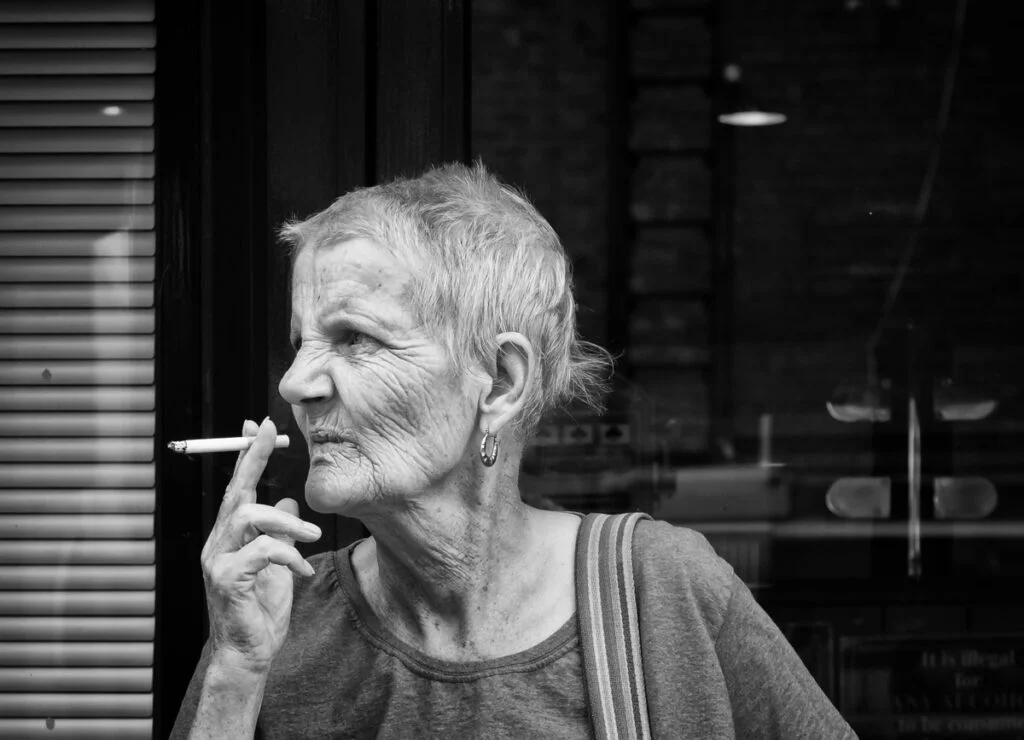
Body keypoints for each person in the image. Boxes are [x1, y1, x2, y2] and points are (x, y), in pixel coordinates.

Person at [171, 162, 857, 739]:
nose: (295, 383)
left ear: (500, 382)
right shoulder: (271, 625)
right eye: (301, 341)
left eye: (355, 338)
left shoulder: (665, 592)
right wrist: (235, 671)